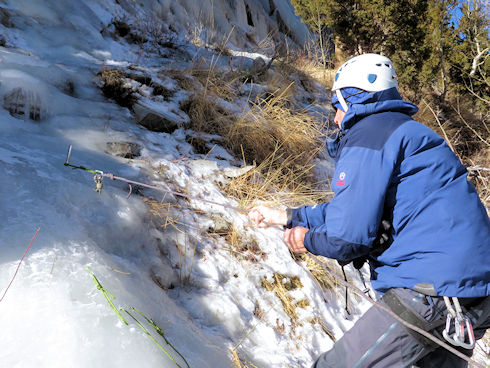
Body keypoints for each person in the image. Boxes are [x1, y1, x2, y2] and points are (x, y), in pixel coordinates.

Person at [248, 54, 490, 367]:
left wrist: (305, 239)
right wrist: (290, 216)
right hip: (476, 294)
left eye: (336, 103)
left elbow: (347, 236)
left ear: (351, 98)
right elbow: (358, 210)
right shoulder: (409, 133)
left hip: (429, 289)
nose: (335, 117)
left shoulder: (369, 133)